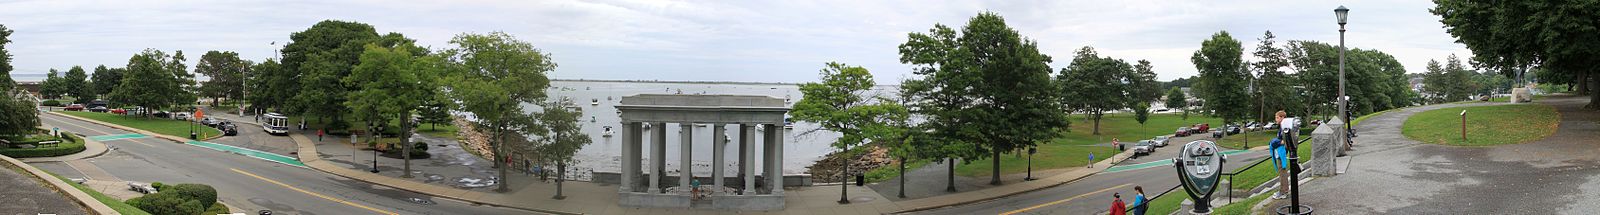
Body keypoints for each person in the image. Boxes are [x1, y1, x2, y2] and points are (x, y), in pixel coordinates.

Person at [1268, 110, 1292, 199]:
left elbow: (1285, 141)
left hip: (1282, 153)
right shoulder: (1282, 127)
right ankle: (1282, 190)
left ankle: (1284, 192)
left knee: (1282, 172)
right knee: (1281, 171)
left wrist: (1275, 142)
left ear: (1282, 118)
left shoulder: (1285, 128)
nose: (1276, 119)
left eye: (1277, 117)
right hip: (1280, 152)